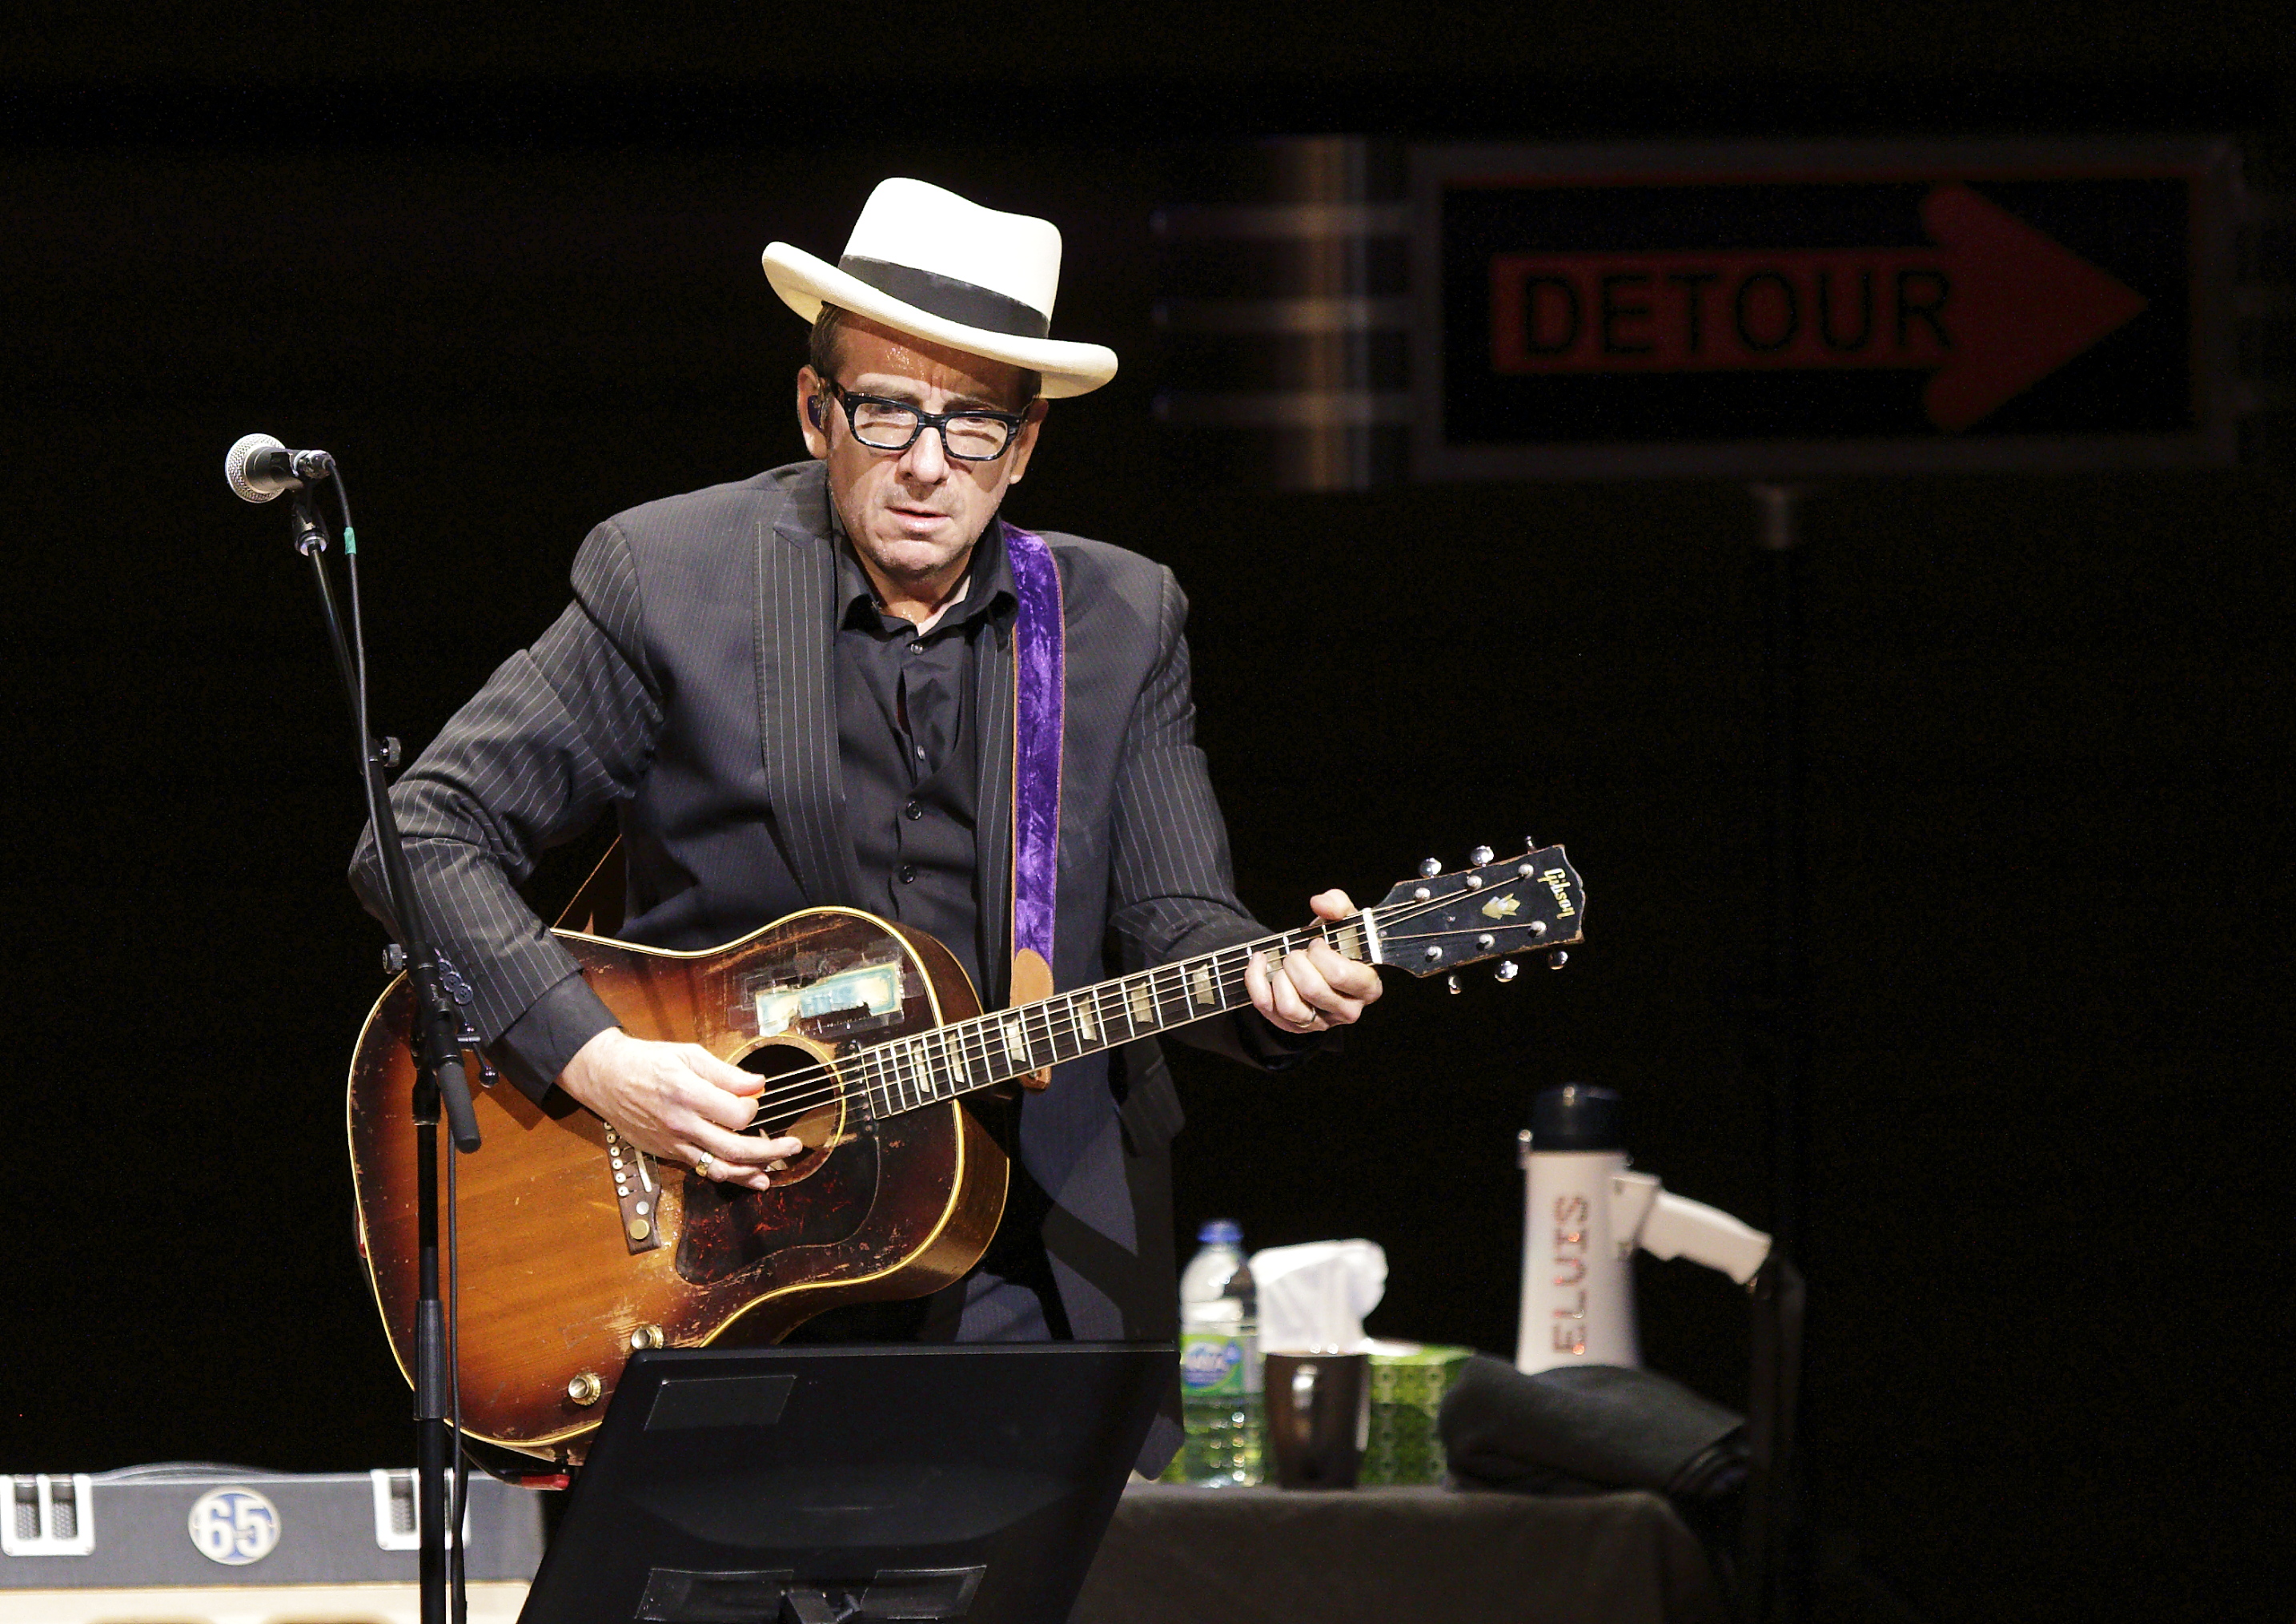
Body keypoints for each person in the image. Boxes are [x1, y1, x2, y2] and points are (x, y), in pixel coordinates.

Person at [349, 177, 1381, 1467]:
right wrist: (600, 1062)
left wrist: (1279, 988)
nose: (927, 465)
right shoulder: (675, 578)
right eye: (887, 411)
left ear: (1027, 444)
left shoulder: (1120, 620)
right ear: (814, 408)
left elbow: (1181, 922)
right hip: (717, 1250)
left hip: (1026, 1264)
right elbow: (425, 832)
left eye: (975, 425)